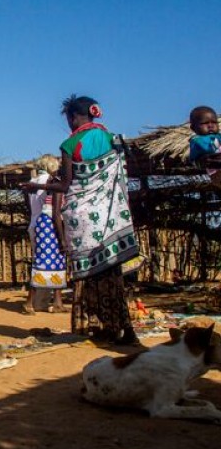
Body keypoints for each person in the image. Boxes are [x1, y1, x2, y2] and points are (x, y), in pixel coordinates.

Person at [22, 95, 140, 345]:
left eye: (69, 118)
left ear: (74, 117)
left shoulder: (70, 143)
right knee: (112, 275)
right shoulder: (113, 139)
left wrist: (35, 186)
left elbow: (66, 185)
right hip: (111, 219)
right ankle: (125, 329)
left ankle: (101, 327)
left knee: (90, 277)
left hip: (84, 221)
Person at [23, 154, 67, 314]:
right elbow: (54, 211)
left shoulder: (33, 182)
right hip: (48, 224)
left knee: (47, 262)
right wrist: (62, 238)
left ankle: (51, 302)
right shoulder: (51, 183)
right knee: (45, 263)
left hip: (35, 222)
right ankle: (34, 302)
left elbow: (29, 206)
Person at [187, 106, 221, 185]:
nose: (210, 126)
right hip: (217, 173)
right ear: (193, 128)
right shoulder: (197, 142)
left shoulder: (218, 136)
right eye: (205, 123)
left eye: (214, 122)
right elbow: (194, 160)